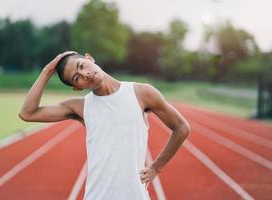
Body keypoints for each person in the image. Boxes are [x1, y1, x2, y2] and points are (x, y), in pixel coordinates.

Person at [19, 51, 191, 200]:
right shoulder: (80, 106)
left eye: (81, 66)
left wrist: (156, 167)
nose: (84, 74)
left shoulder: (141, 93)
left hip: (135, 195)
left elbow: (181, 128)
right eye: (76, 78)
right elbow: (28, 113)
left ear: (89, 58)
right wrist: (47, 71)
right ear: (77, 88)